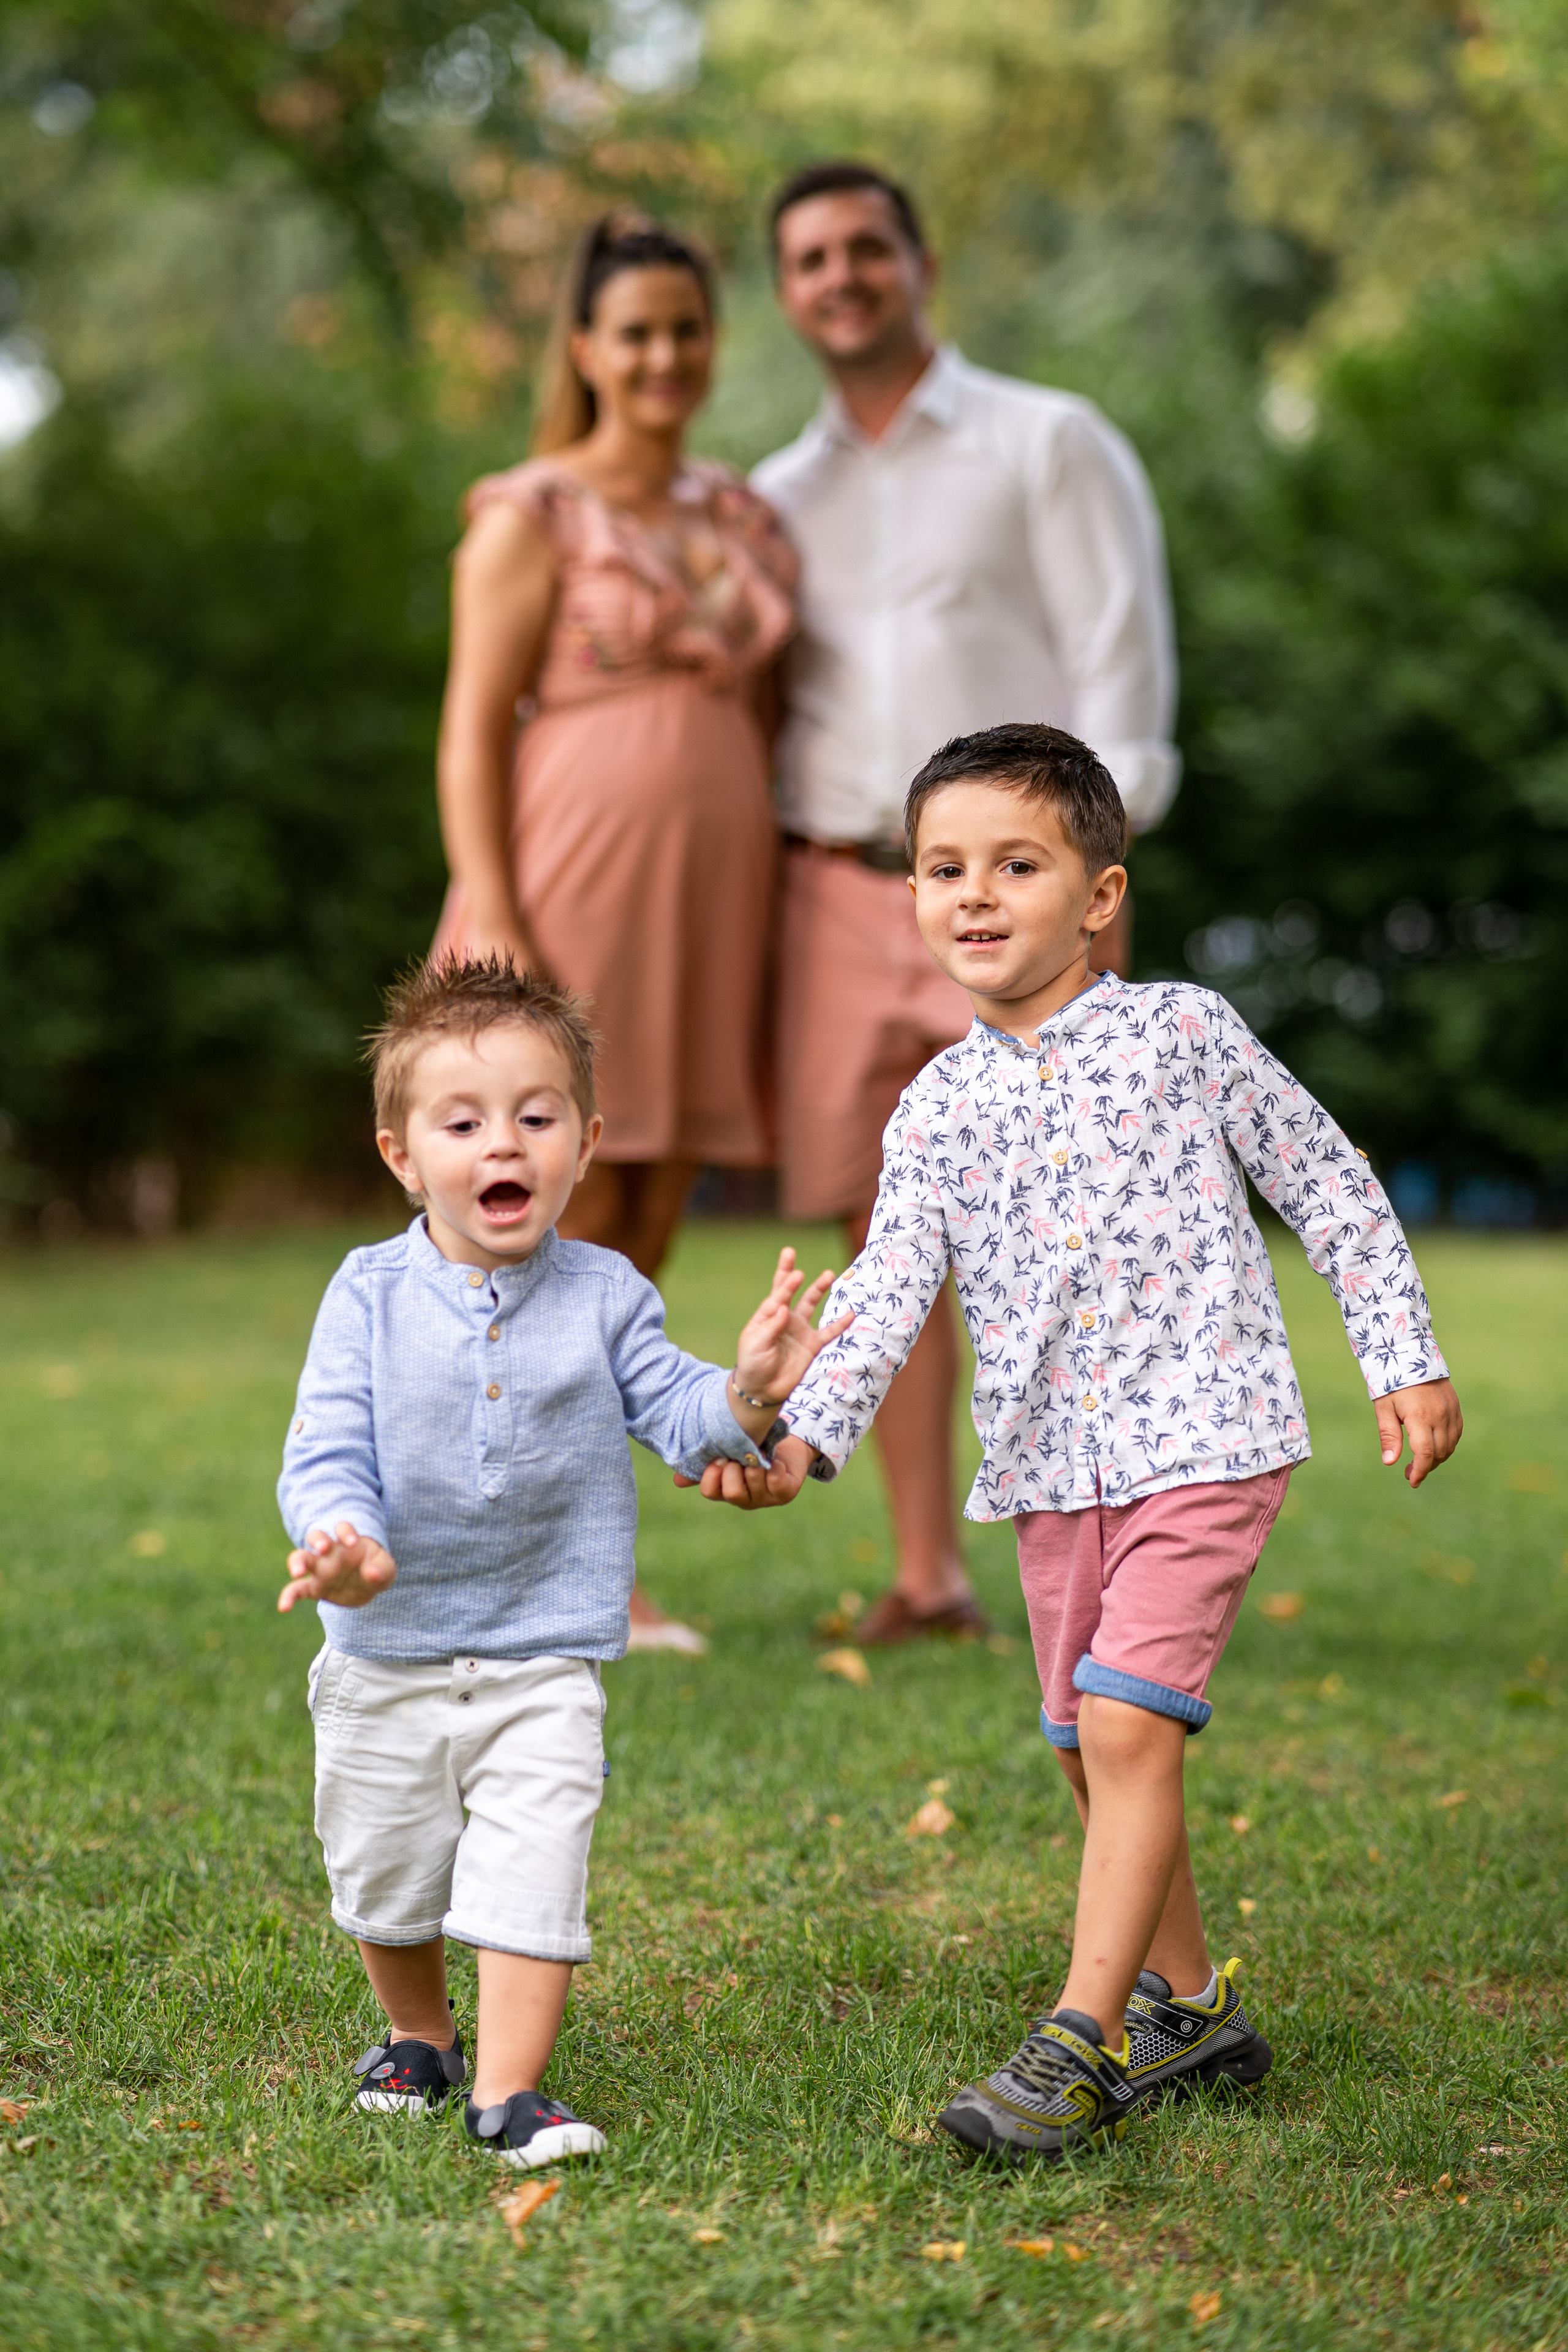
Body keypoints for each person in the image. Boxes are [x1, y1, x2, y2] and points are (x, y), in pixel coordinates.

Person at [690, 723, 1463, 2160]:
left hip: (1207, 1432)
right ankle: (1188, 2001)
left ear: (1098, 893)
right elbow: (882, 1301)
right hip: (1053, 1469)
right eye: (940, 868)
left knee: (1124, 1723)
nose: (971, 894)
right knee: (1080, 1741)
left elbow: (1331, 1185)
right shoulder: (933, 1106)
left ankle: (1079, 2042)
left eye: (1014, 864)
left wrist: (1401, 1359)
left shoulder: (1182, 1034)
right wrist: (790, 1445)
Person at [276, 956, 847, 2168]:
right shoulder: (366, 1295)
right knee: (386, 1871)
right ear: (402, 1154)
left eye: (536, 1119)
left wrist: (750, 1387)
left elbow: (684, 1412)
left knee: (535, 1865)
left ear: (584, 1144)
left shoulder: (606, 1294)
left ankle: (510, 2093)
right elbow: (324, 1441)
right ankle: (417, 2036)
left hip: (546, 1649)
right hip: (386, 1651)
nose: (505, 1145)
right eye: (466, 1122)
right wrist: (343, 1541)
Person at [752, 162, 1180, 1648]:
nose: (841, 276)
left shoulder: (1045, 442)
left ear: (919, 260)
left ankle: (1121, 1555)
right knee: (893, 1234)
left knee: (1063, 1228)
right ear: (784, 290)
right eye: (809, 258)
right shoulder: (771, 498)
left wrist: (1085, 895)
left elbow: (1121, 679)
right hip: (832, 890)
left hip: (1013, 894)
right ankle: (926, 1572)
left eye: (866, 247)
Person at [434, 213, 797, 1651]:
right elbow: (468, 734)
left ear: (711, 344)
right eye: (632, 331)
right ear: (584, 349)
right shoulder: (529, 512)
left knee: (640, 1241)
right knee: (539, 1233)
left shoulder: (741, 516)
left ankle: (597, 1575)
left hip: (711, 905)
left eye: (684, 329)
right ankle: (491, 1562)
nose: (660, 355)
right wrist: (501, 917)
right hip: (567, 892)